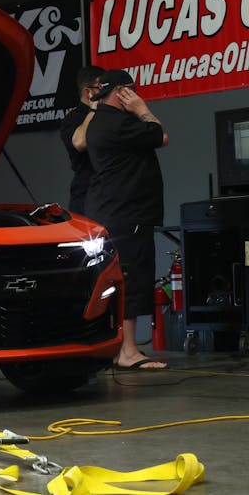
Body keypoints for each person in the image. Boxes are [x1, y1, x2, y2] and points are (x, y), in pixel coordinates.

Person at [84, 69, 169, 370]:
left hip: (109, 211)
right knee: (130, 279)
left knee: (116, 280)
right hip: (127, 212)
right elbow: (161, 135)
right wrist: (142, 109)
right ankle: (128, 351)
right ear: (122, 92)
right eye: (132, 90)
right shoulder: (121, 123)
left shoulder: (98, 122)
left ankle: (118, 348)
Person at [59, 65, 104, 214]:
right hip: (86, 196)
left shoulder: (109, 116)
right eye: (101, 88)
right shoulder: (72, 119)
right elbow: (80, 143)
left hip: (110, 197)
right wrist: (93, 109)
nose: (106, 92)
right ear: (88, 92)